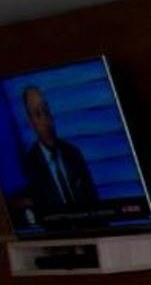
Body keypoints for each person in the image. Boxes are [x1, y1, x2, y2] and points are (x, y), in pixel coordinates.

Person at [17, 84, 97, 216]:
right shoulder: (29, 165)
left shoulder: (73, 153)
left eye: (46, 110)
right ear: (31, 123)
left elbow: (94, 202)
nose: (45, 120)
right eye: (38, 114)